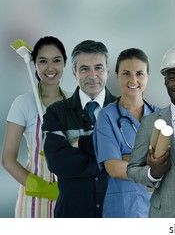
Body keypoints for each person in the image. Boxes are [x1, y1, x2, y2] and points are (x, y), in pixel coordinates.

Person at [127, 44, 175, 217]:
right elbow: (132, 169)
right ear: (165, 82)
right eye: (172, 77)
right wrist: (153, 173)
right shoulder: (150, 123)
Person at [43, 40, 117, 218]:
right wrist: (110, 161)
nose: (93, 75)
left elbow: (132, 161)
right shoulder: (56, 113)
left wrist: (80, 143)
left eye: (98, 68)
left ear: (107, 71)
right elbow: (59, 164)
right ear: (74, 72)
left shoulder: (125, 111)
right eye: (84, 69)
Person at [2, 36, 70, 218]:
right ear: (35, 65)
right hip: (32, 202)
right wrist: (40, 188)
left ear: (64, 63)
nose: (50, 68)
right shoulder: (23, 103)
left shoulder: (74, 103)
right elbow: (7, 159)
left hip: (69, 196)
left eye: (56, 60)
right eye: (43, 61)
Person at [93, 48, 159, 217]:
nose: (133, 80)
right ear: (117, 75)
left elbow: (172, 163)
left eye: (139, 74)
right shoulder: (107, 116)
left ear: (147, 76)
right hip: (122, 209)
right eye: (126, 73)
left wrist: (128, 159)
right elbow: (113, 168)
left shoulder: (160, 117)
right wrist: (151, 164)